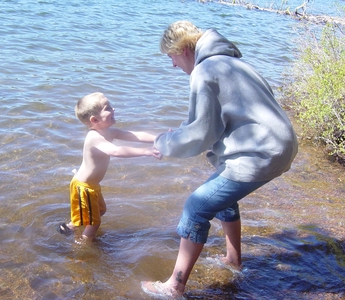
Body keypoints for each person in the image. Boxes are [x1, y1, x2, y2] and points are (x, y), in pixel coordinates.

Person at [141, 21, 298, 299]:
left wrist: (165, 144)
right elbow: (220, 118)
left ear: (184, 49)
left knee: (195, 207)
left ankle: (174, 287)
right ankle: (233, 260)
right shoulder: (235, 64)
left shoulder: (204, 71)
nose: (173, 65)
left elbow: (202, 133)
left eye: (171, 57)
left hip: (260, 153)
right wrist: (178, 134)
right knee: (222, 196)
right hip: (279, 146)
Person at [58, 92, 161, 244]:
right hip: (83, 187)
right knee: (95, 223)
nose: (114, 110)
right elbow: (116, 151)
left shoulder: (110, 132)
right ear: (95, 119)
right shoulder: (94, 137)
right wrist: (145, 152)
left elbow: (135, 135)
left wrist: (159, 138)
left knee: (100, 211)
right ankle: (82, 249)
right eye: (108, 108)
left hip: (92, 186)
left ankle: (71, 226)